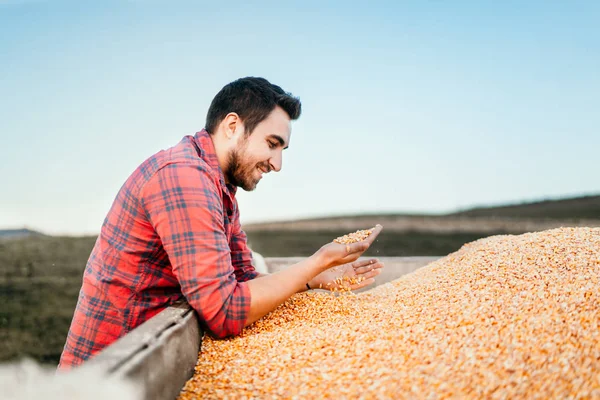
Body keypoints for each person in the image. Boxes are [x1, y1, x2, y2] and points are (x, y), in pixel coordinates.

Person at [58, 77, 384, 370]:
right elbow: (225, 313)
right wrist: (316, 262)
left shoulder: (220, 185)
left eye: (283, 149)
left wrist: (315, 277)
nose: (278, 164)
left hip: (153, 358)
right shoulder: (184, 178)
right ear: (232, 126)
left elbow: (243, 276)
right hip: (110, 373)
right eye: (272, 144)